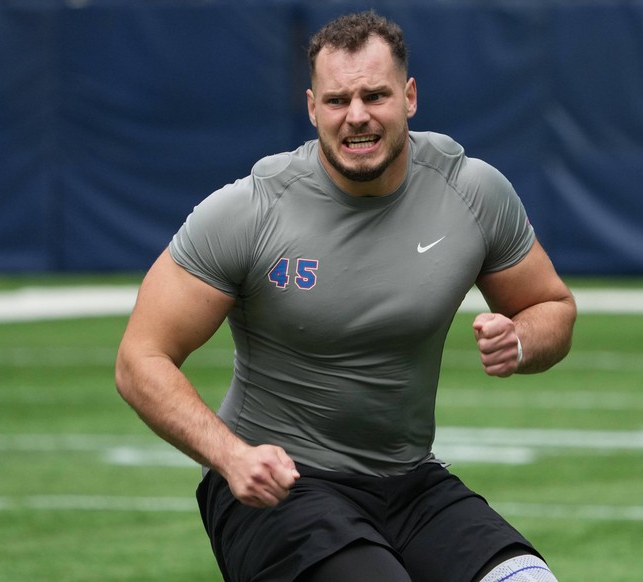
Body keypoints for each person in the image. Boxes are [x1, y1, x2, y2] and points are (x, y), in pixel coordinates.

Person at [116, 10, 576, 582]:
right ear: (312, 108)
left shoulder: (472, 192)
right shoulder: (251, 211)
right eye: (337, 101)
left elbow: (552, 307)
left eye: (375, 95)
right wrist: (232, 456)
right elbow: (140, 359)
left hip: (410, 482)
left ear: (409, 96)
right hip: (277, 486)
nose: (357, 116)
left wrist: (523, 341)